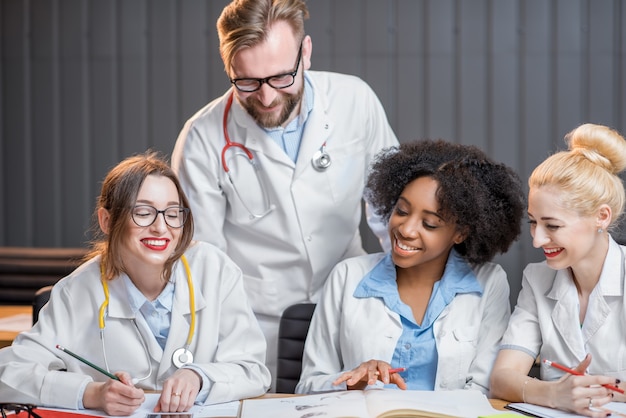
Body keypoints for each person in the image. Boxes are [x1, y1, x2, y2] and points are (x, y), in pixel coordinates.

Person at [170, 0, 399, 385]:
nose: (267, 97)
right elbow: (203, 262)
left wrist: (406, 305)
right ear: (229, 68)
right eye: (247, 81)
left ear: (305, 53)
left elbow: (392, 215)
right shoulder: (202, 139)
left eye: (281, 77)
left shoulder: (354, 101)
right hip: (255, 324)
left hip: (348, 307)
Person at [0, 152, 270, 415]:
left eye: (172, 213)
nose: (161, 228)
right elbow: (7, 375)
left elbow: (253, 370)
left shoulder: (216, 270)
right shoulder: (76, 292)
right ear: (107, 220)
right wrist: (91, 393)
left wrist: (199, 377)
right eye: (143, 212)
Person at [295, 139, 525, 394]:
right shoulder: (347, 276)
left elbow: (484, 390)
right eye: (402, 211)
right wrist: (351, 382)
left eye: (429, 224)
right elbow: (307, 385)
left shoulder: (488, 282)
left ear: (460, 233)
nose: (405, 229)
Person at [490, 123, 626, 415]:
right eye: (533, 222)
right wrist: (554, 394)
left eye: (552, 225)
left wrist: (584, 392)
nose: (538, 240)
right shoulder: (538, 279)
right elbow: (502, 379)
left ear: (601, 216)